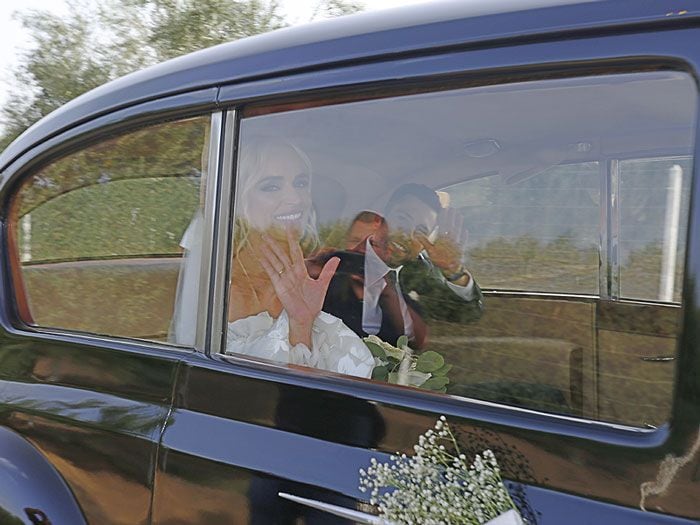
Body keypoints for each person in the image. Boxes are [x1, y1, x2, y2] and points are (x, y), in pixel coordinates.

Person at [224, 137, 374, 378]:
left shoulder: (316, 277)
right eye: (271, 186)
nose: (296, 199)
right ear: (238, 199)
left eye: (301, 183)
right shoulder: (220, 290)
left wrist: (301, 324)